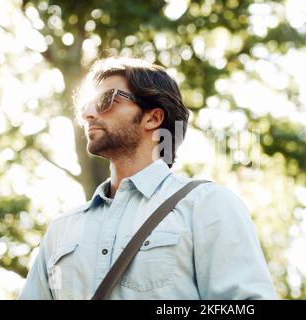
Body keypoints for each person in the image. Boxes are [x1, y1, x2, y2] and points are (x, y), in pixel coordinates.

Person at [18, 56, 277, 300]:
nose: (88, 114)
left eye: (106, 100)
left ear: (152, 117)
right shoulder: (60, 230)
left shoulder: (206, 205)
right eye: (86, 105)